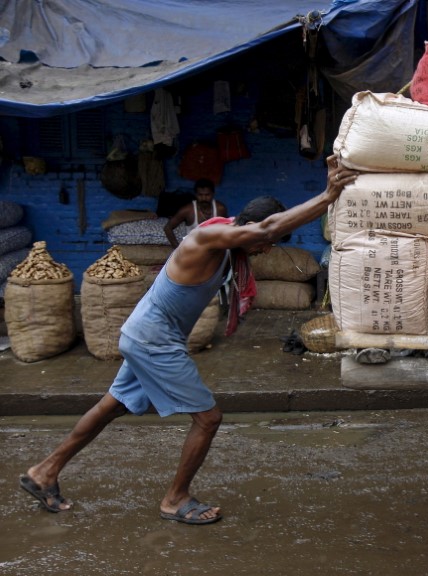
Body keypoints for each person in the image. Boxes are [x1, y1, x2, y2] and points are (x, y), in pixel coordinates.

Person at [19, 155, 358, 525]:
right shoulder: (208, 236)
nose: (265, 250)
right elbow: (265, 231)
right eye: (267, 242)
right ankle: (174, 499)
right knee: (208, 418)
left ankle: (44, 471)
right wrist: (328, 197)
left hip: (147, 334)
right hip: (153, 339)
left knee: (111, 406)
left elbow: (264, 233)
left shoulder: (227, 243)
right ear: (250, 228)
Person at [164, 178, 229, 249]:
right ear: (195, 195)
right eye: (200, 195)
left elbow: (228, 228)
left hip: (215, 249)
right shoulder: (188, 210)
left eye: (207, 195)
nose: (204, 198)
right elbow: (167, 228)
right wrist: (177, 248)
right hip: (194, 249)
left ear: (213, 194)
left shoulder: (220, 209)